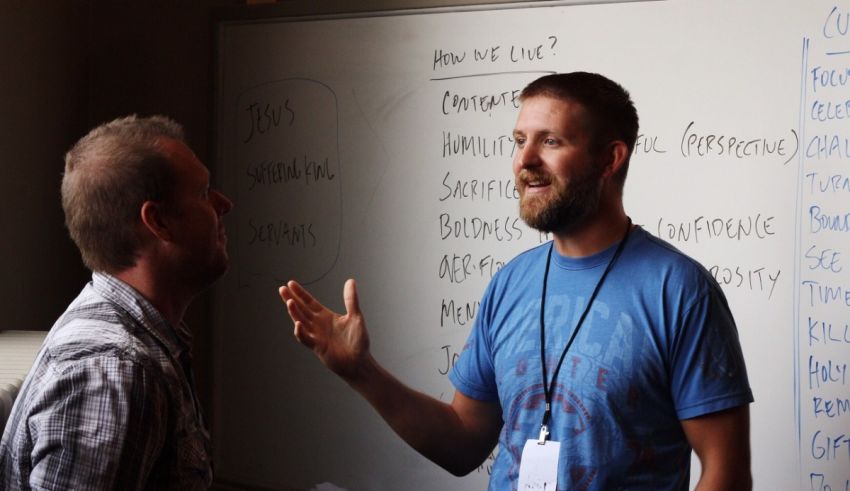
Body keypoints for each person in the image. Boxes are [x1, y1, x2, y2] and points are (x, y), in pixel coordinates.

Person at [279, 72, 753, 490]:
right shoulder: (511, 283)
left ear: (609, 159)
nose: (524, 160)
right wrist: (360, 371)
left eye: (550, 141)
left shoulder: (680, 291)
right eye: (519, 139)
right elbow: (464, 442)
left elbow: (726, 474)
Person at [0, 115, 233, 490]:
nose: (225, 204)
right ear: (158, 221)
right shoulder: (113, 371)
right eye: (204, 192)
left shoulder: (143, 339)